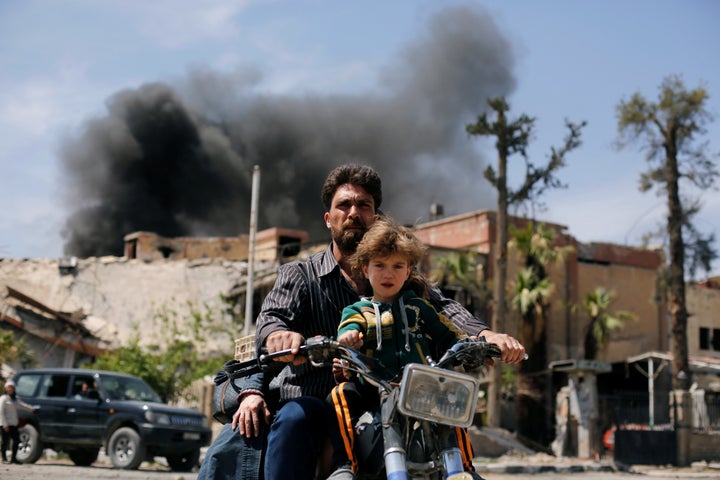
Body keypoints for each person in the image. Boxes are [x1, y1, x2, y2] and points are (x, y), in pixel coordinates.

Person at [197, 164, 525, 480]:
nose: (353, 212)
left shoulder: (397, 273)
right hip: (319, 397)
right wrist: (280, 337)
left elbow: (442, 307)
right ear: (329, 219)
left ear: (375, 216)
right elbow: (272, 320)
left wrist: (485, 335)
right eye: (344, 205)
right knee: (294, 419)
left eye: (363, 205)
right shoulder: (301, 275)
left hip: (394, 395)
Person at [326, 217, 477, 480]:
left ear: (408, 271)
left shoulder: (418, 306)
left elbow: (448, 332)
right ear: (365, 269)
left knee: (450, 400)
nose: (388, 273)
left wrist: (467, 345)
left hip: (420, 387)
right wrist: (348, 338)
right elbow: (347, 328)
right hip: (373, 387)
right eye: (380, 265)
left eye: (398, 266)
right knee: (340, 394)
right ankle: (345, 465)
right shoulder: (358, 311)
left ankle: (464, 468)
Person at [0, 379, 34, 465]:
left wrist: (31, 409)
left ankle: (13, 458)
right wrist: (5, 425)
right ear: (6, 388)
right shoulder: (3, 398)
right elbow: (1, 412)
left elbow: (22, 405)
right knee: (5, 442)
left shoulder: (15, 399)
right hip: (5, 424)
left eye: (12, 387)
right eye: (9, 387)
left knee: (16, 440)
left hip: (13, 423)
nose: (10, 389)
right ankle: (4, 458)